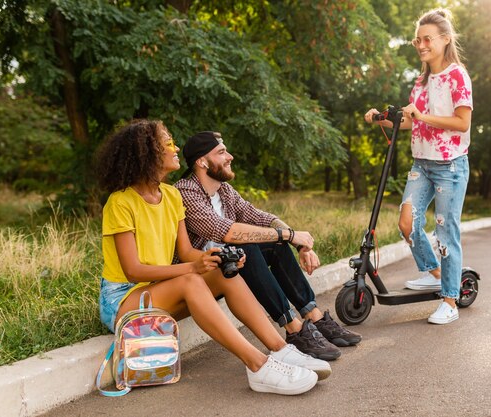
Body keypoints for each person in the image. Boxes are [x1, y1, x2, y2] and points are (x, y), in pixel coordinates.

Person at [96, 119, 332, 396]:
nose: (176, 148)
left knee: (222, 272)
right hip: (124, 299)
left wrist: (214, 258)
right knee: (190, 281)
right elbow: (134, 271)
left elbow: (186, 252)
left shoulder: (171, 196)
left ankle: (282, 350)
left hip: (158, 292)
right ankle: (258, 366)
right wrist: (193, 267)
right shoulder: (120, 202)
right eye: (168, 142)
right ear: (147, 152)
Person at [174, 131, 362, 361]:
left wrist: (297, 242)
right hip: (199, 274)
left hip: (227, 266)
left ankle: (313, 316)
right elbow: (224, 230)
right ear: (201, 161)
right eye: (222, 152)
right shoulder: (185, 191)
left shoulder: (224, 191)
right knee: (248, 245)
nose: (230, 156)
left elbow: (259, 217)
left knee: (275, 244)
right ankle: (294, 329)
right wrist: (289, 235)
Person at [364, 8, 473, 325]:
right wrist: (381, 119)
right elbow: (413, 122)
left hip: (449, 166)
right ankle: (436, 274)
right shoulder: (421, 80)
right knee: (407, 223)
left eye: (427, 39)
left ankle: (450, 301)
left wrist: (422, 117)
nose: (421, 45)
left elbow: (463, 123)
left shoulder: (457, 76)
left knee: (445, 233)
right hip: (422, 163)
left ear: (444, 39)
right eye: (418, 40)